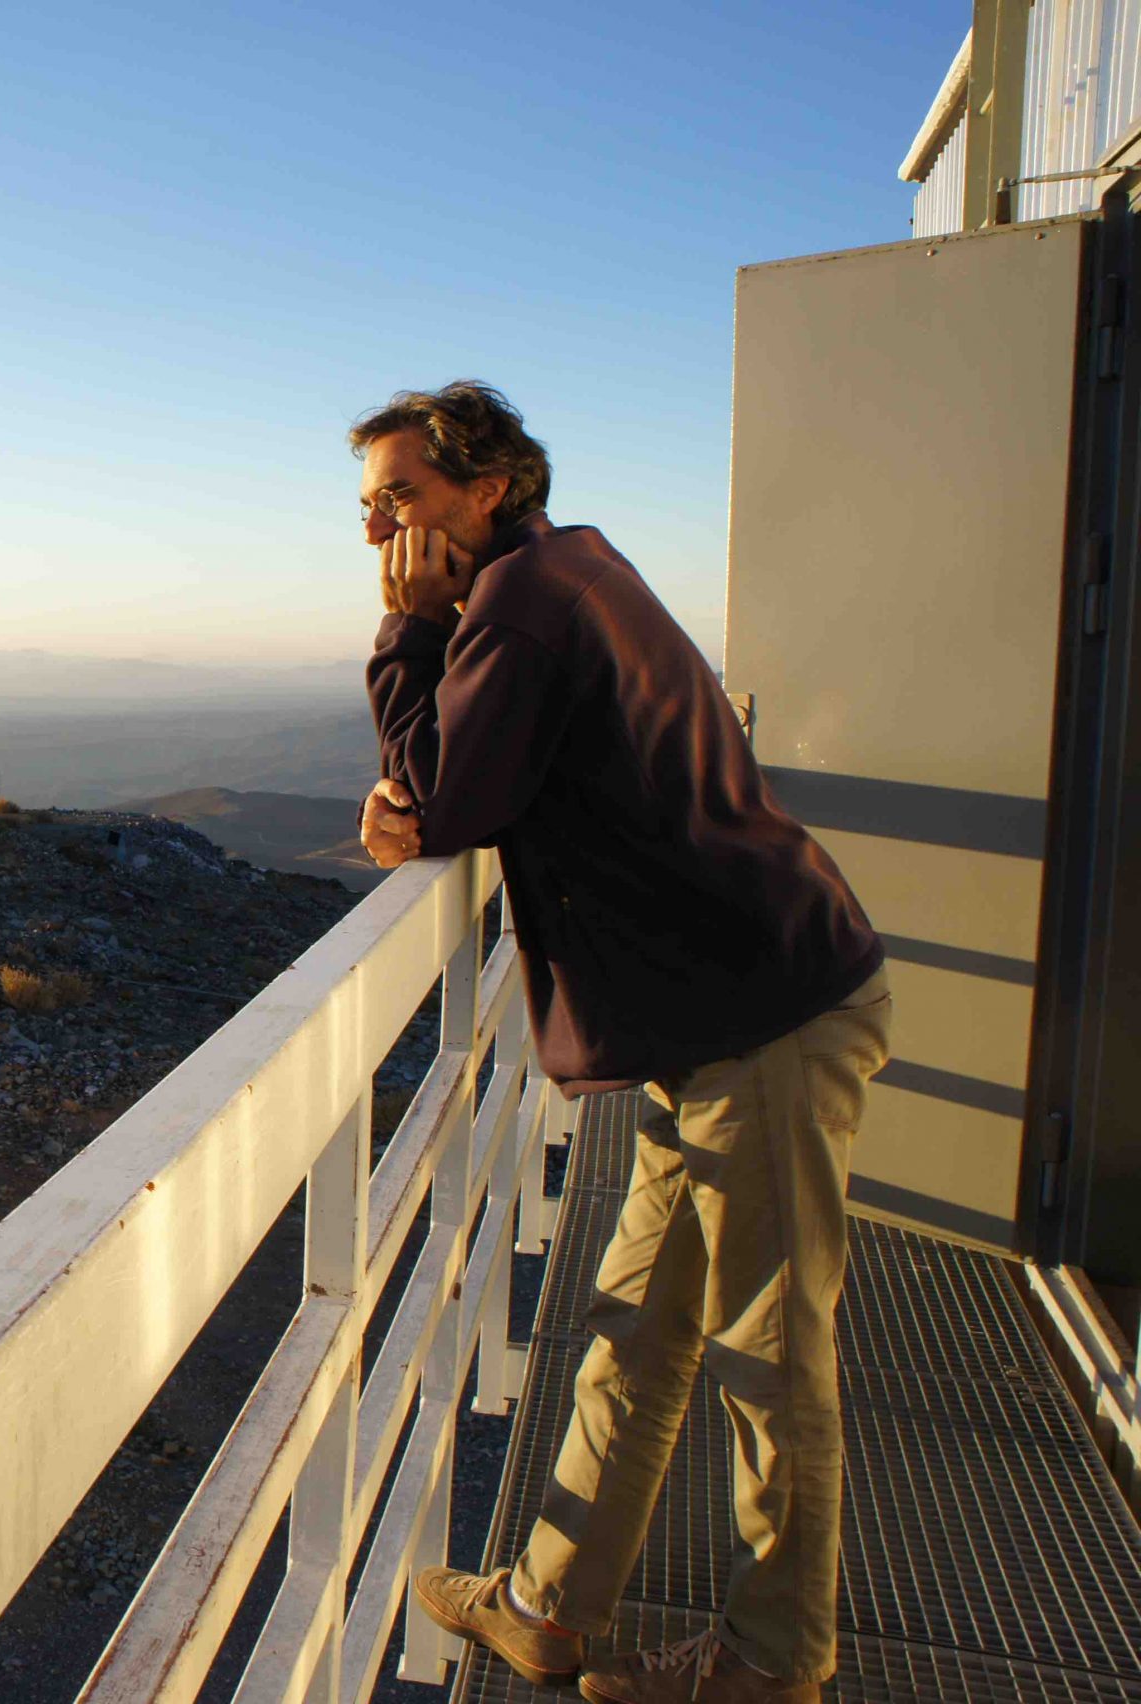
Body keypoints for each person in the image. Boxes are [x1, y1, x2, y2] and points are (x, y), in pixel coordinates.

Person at [354, 382, 892, 1704]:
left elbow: (450, 795)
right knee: (637, 1331)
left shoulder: (521, 607)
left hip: (762, 1020)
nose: (379, 530)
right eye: (368, 507)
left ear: (490, 487)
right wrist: (424, 760)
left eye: (402, 496)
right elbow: (462, 783)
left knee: (770, 1361)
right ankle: (548, 1607)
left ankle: (771, 1668)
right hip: (712, 1025)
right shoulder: (564, 573)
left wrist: (408, 632)